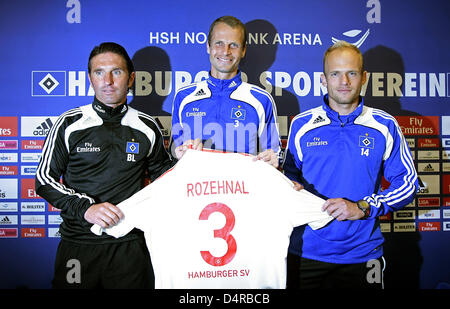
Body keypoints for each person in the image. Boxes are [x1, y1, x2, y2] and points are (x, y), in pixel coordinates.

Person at [35, 42, 187, 289]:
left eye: (116, 72)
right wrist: (86, 208)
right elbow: (44, 180)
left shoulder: (147, 126)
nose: (107, 80)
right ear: (90, 78)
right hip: (79, 245)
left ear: (131, 78)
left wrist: (183, 162)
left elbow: (163, 178)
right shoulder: (69, 123)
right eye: (99, 72)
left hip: (130, 247)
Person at [283, 40, 418, 289]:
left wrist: (363, 207)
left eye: (351, 73)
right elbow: (289, 181)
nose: (344, 82)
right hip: (305, 254)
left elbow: (408, 184)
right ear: (323, 79)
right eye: (335, 74)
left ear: (364, 77)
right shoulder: (302, 125)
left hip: (363, 255)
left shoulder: (383, 125)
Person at [170, 15, 280, 167]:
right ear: (208, 46)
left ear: (243, 51)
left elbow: (274, 154)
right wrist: (180, 152)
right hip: (197, 188)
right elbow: (174, 151)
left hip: (243, 189)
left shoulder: (261, 100)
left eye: (233, 45)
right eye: (219, 43)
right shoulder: (184, 97)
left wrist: (273, 159)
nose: (225, 51)